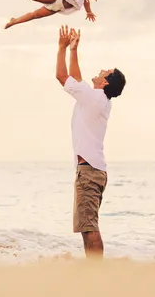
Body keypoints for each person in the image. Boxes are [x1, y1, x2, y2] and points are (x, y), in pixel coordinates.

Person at [55, 25, 126, 259]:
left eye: (106, 71)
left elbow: (62, 77)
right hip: (93, 170)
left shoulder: (94, 98)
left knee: (89, 227)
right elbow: (77, 80)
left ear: (105, 83)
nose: (102, 70)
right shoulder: (96, 99)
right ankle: (93, 273)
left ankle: (96, 276)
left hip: (89, 171)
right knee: (88, 226)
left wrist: (61, 48)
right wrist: (74, 50)